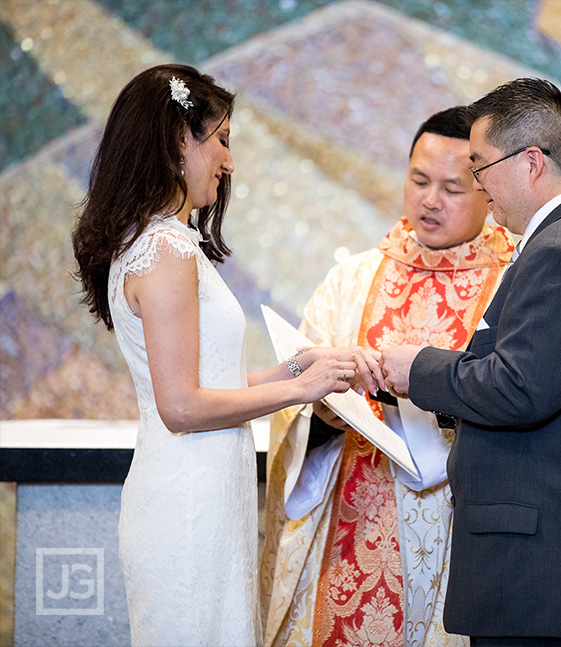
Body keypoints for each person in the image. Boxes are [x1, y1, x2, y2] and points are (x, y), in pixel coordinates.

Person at [71, 64, 379, 646]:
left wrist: (299, 365)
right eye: (223, 140)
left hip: (208, 494)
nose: (229, 161)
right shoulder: (162, 247)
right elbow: (182, 407)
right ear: (175, 140)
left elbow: (214, 382)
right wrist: (298, 390)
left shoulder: (165, 239)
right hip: (188, 505)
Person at [381, 78, 561, 646]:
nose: (480, 188)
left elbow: (519, 389)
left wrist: (420, 370)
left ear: (531, 161)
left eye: (479, 168)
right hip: (555, 564)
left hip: (546, 573)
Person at [259, 106, 514, 647]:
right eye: (419, 180)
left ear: (488, 195)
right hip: (349, 524)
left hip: (455, 534)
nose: (429, 199)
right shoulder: (350, 281)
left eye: (452, 188)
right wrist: (321, 417)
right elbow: (293, 402)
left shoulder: (515, 284)